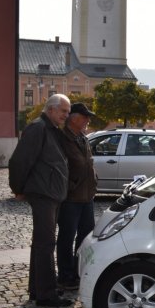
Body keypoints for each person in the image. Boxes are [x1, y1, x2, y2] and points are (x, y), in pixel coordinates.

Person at [8, 94, 72, 307]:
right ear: (51, 109)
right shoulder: (38, 128)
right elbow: (19, 161)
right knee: (46, 244)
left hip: (51, 193)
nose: (66, 115)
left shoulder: (51, 129)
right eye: (63, 111)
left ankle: (38, 289)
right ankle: (47, 294)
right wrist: (17, 188)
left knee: (41, 244)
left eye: (68, 111)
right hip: (43, 193)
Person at [56, 102, 98, 290]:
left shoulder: (82, 137)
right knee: (67, 237)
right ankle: (65, 276)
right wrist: (69, 187)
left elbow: (88, 164)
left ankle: (79, 271)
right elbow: (59, 167)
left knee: (86, 236)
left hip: (87, 197)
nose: (88, 120)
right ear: (73, 118)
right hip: (70, 198)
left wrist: (94, 181)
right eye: (84, 117)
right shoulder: (62, 138)